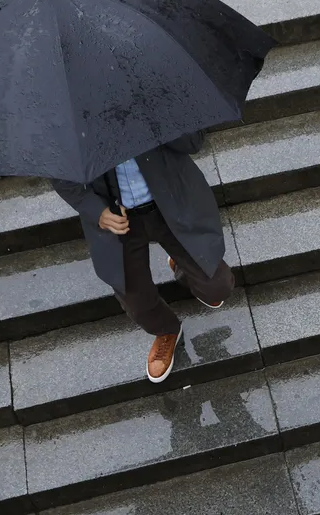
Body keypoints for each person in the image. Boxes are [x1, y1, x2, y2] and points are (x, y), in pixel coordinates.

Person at [52, 130, 234, 384]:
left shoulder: (152, 96)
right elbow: (60, 173)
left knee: (218, 288)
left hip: (171, 205)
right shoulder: (74, 119)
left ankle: (181, 265)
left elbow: (193, 142)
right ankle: (166, 331)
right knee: (135, 298)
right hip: (119, 221)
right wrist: (98, 211)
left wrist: (155, 121)